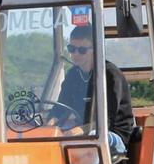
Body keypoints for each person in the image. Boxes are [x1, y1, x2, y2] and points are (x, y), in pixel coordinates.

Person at [50, 25, 134, 154]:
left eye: (82, 50)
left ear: (95, 49)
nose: (75, 54)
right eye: (71, 49)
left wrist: (82, 129)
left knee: (92, 138)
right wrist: (49, 124)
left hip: (113, 135)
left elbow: (107, 121)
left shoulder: (110, 74)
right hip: (82, 131)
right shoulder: (73, 75)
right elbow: (60, 108)